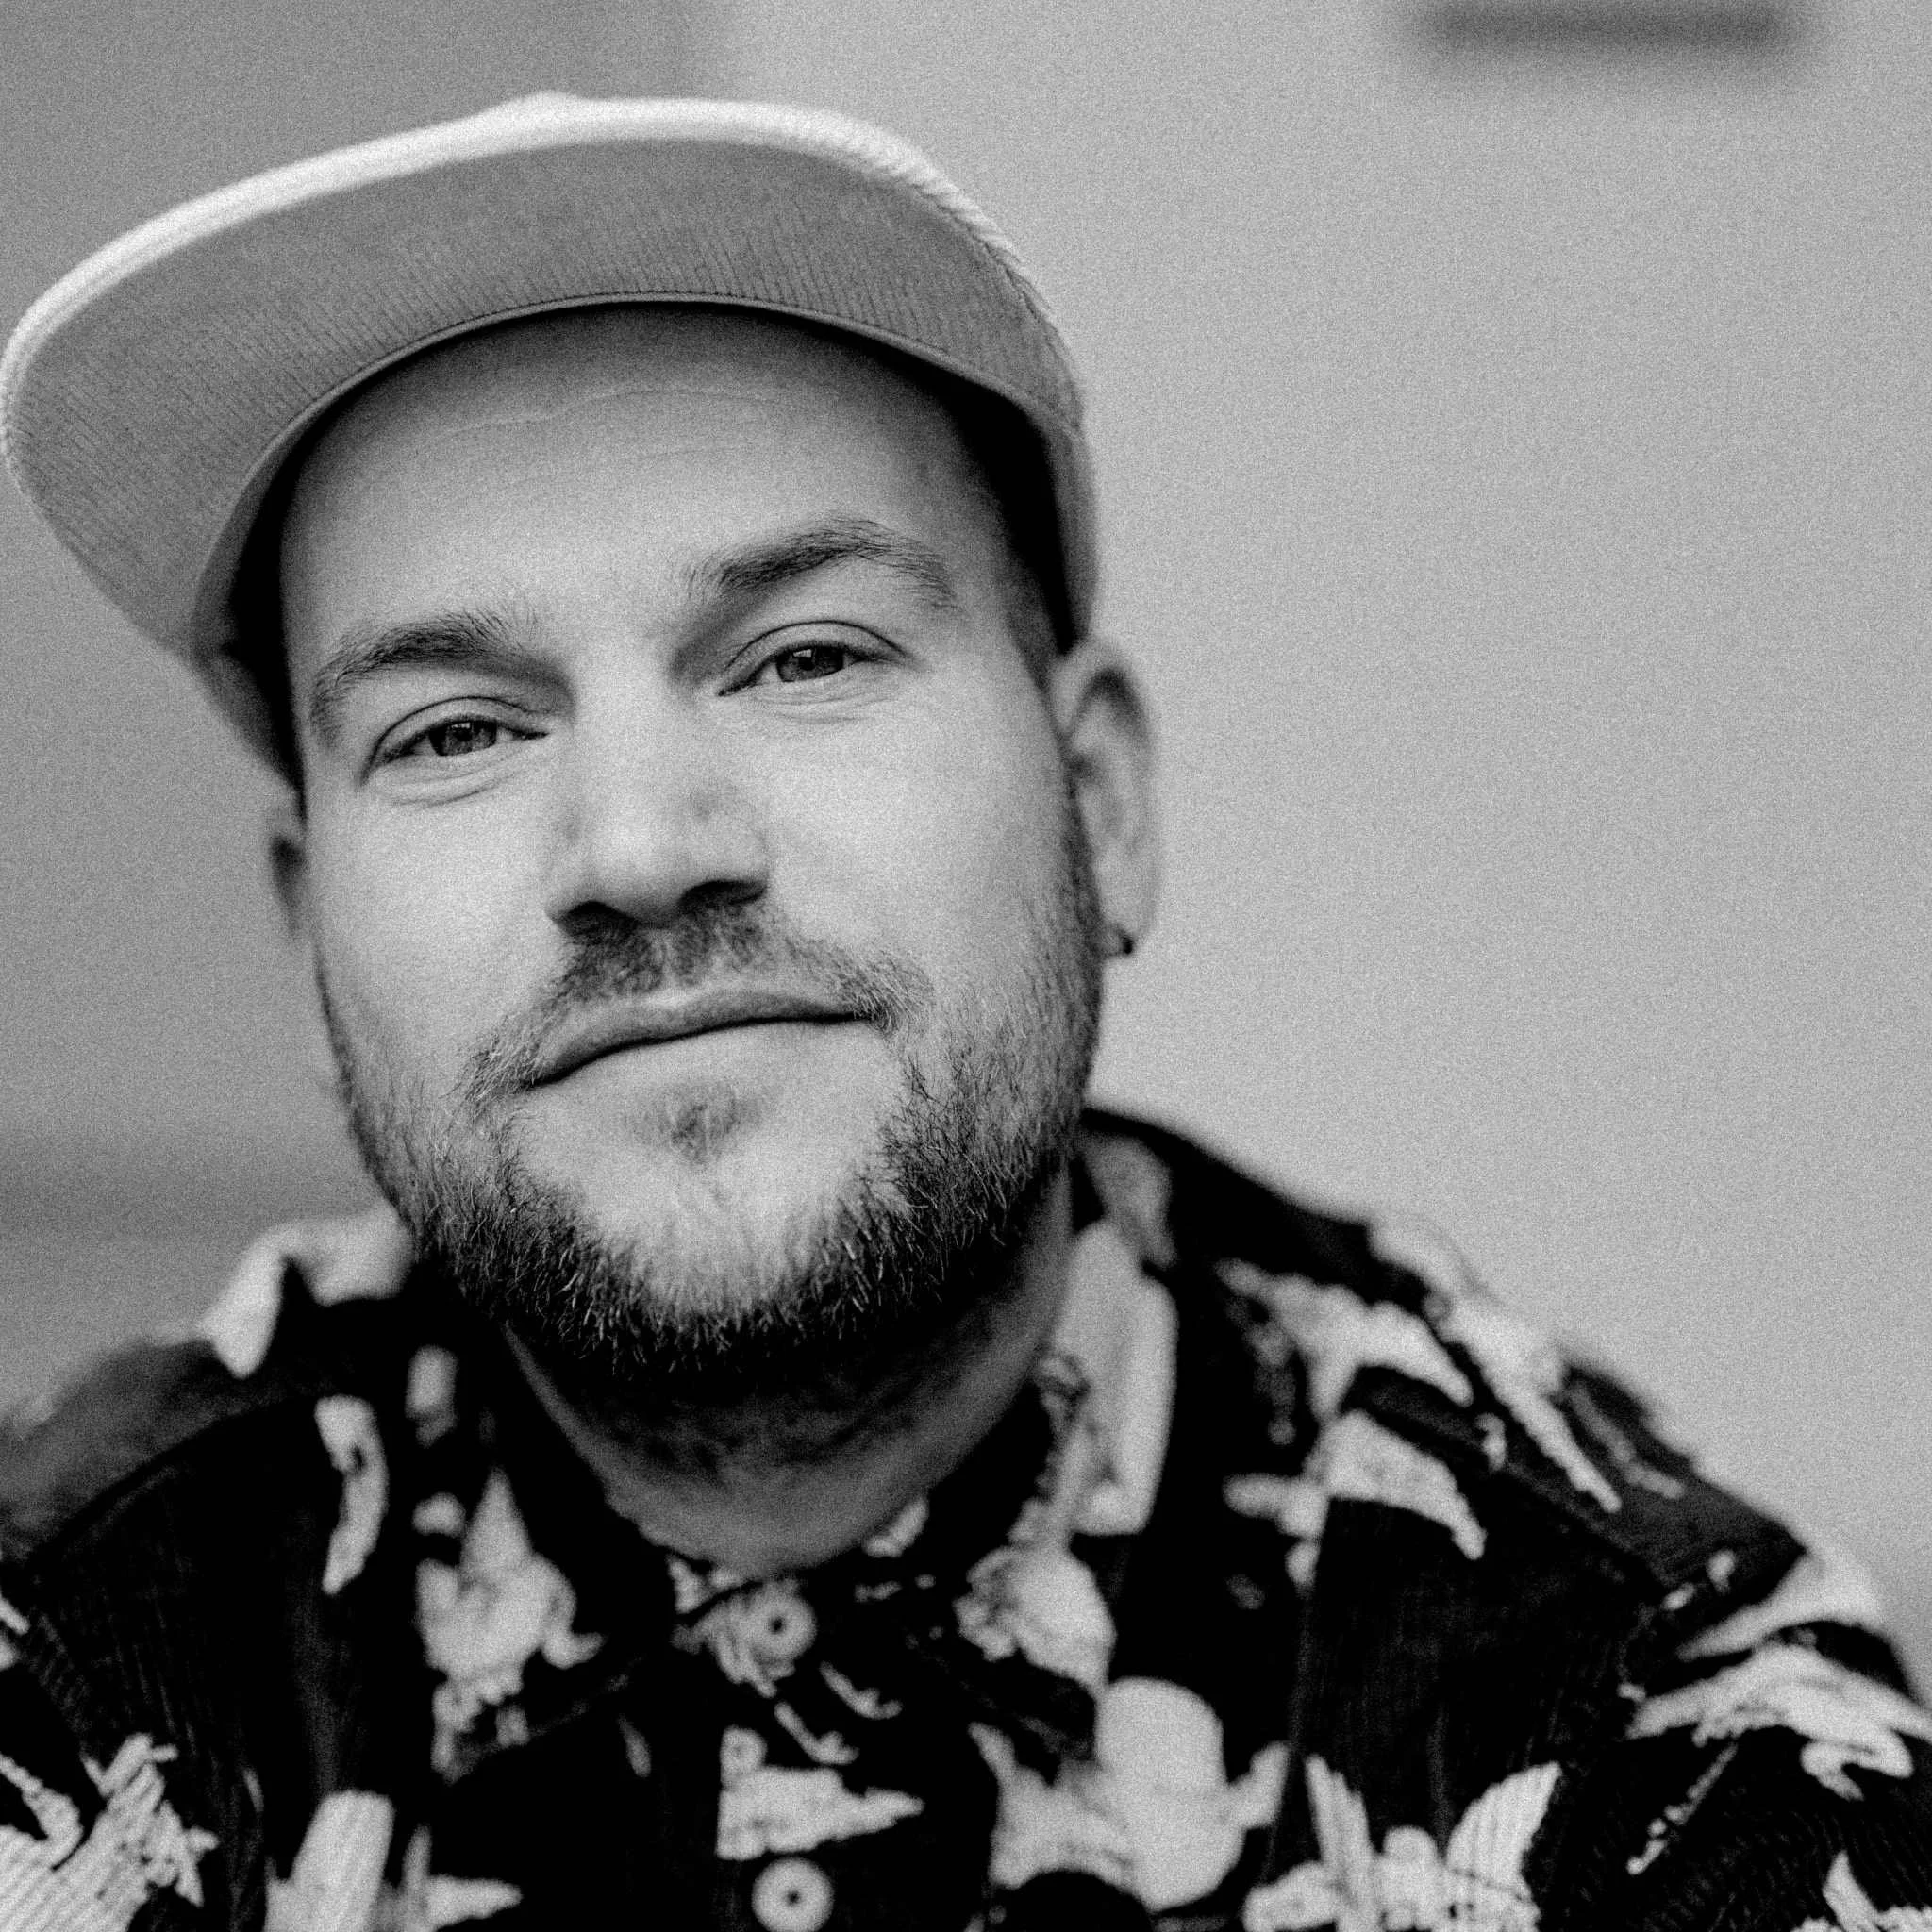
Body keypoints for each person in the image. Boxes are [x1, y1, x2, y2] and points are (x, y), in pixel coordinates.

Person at [0, 93, 1924, 1932]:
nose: (645, 842)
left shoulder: (1640, 1727)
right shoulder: (73, 1674)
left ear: (1099, 805)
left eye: (805, 653)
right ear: (305, 942)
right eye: (456, 729)